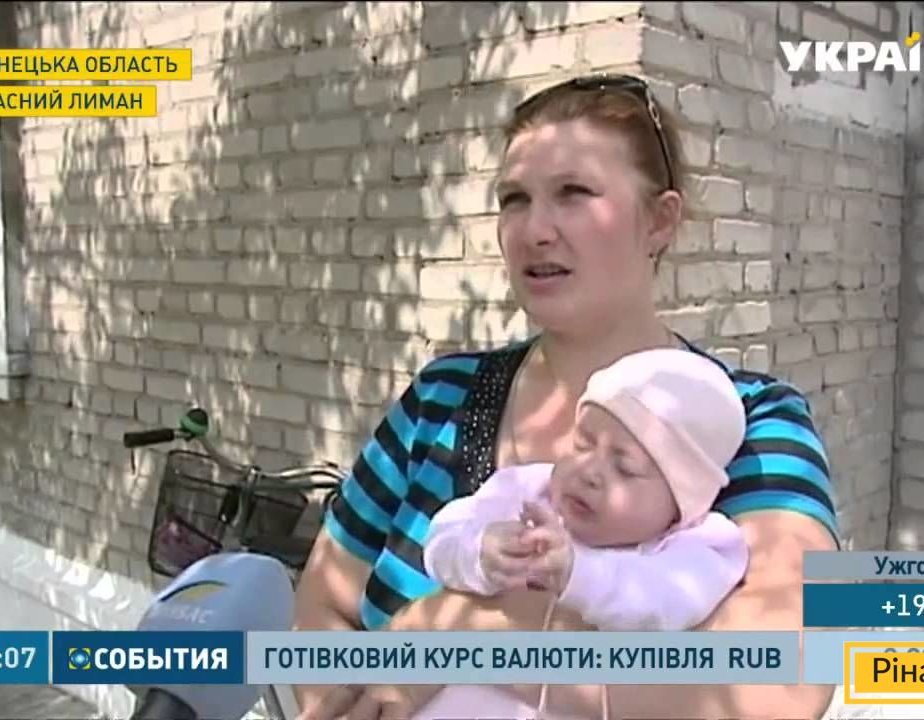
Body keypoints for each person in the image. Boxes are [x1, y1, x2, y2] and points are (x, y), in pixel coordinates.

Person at [292, 73, 841, 720]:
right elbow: (323, 602)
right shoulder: (440, 402)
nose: (535, 230)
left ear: (659, 221)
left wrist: (458, 629)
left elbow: (782, 681)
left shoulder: (750, 426)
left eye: (574, 193)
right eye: (514, 199)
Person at [413, 347, 750, 719]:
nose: (589, 471)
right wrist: (479, 550)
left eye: (625, 468)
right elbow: (442, 536)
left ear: (683, 502)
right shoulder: (529, 490)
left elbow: (662, 606)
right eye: (583, 444)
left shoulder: (697, 547)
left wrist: (579, 573)